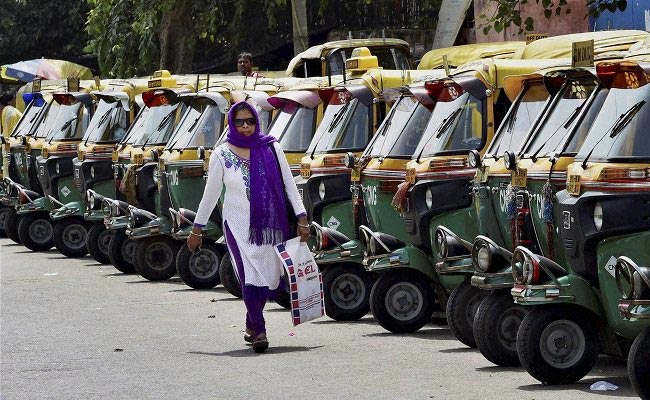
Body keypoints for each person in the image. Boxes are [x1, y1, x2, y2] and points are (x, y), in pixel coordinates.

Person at [187, 101, 309, 353]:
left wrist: (302, 217)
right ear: (232, 123)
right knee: (251, 275)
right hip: (238, 225)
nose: (245, 126)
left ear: (257, 122)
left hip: (269, 225)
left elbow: (289, 185)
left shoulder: (272, 147)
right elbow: (210, 196)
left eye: (250, 121)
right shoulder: (221, 155)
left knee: (269, 277)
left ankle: (250, 324)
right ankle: (260, 331)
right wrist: (196, 229)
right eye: (240, 121)